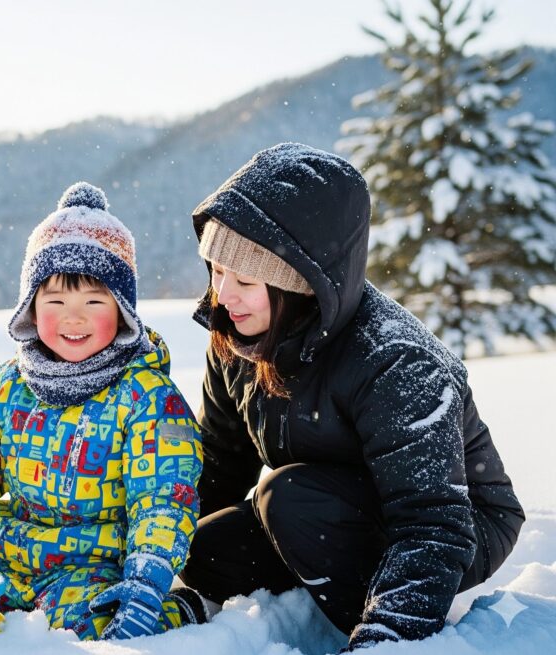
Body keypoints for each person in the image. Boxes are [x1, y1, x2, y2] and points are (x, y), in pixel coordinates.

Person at [178, 143, 526, 651]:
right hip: (320, 507)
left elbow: (433, 523)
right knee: (200, 546)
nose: (222, 295)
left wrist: (385, 639)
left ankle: (374, 620)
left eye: (245, 279)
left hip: (455, 525)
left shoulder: (394, 360)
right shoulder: (239, 336)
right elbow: (218, 468)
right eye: (216, 269)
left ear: (299, 283)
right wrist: (164, 559)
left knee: (291, 501)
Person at [0, 182, 207, 639]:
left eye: (93, 302)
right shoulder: (10, 385)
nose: (72, 318)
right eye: (55, 301)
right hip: (10, 556)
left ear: (123, 312)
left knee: (83, 625)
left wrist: (144, 580)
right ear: (30, 307)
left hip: (95, 567)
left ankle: (180, 613)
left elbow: (162, 499)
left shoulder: (147, 398)